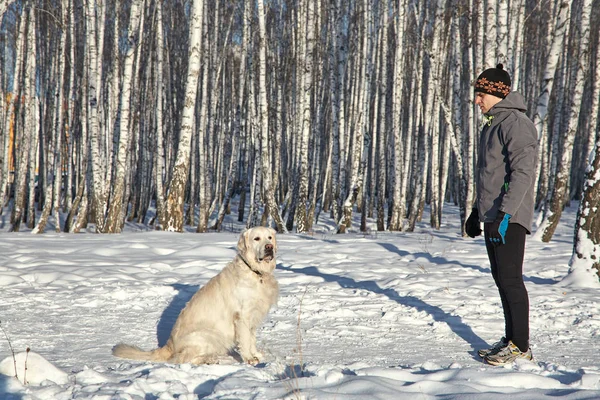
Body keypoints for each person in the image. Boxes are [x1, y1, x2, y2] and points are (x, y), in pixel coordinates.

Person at [465, 64, 538, 366]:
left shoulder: (516, 124)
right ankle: (511, 339)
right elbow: (490, 176)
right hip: (493, 215)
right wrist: (475, 212)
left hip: (509, 215)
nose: (476, 100)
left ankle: (520, 345)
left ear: (495, 93)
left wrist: (506, 214)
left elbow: (523, 172)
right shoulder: (492, 124)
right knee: (501, 278)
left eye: (480, 93)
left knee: (510, 279)